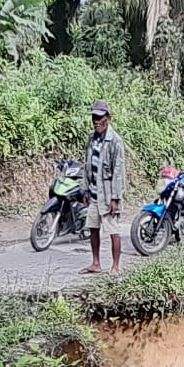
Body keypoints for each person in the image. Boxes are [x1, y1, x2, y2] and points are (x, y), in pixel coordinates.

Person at [81, 100, 127, 276]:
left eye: (100, 117)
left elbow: (119, 172)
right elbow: (87, 165)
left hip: (108, 196)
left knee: (113, 230)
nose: (96, 121)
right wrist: (85, 188)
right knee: (93, 227)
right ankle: (96, 263)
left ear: (108, 118)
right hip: (93, 193)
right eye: (94, 117)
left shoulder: (115, 141)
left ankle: (115, 266)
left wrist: (116, 198)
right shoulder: (91, 139)